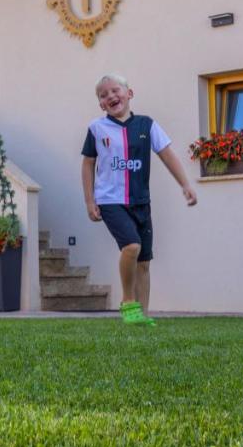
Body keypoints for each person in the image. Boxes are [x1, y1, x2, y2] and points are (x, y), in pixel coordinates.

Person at [82, 74, 197, 326]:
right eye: (104, 95)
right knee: (131, 247)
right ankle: (127, 301)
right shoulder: (96, 129)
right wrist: (90, 201)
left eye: (115, 91)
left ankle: (141, 318)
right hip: (110, 200)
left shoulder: (147, 125)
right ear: (101, 104)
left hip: (141, 201)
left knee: (144, 262)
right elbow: (88, 164)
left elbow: (167, 155)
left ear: (129, 93)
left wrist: (185, 185)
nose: (111, 96)